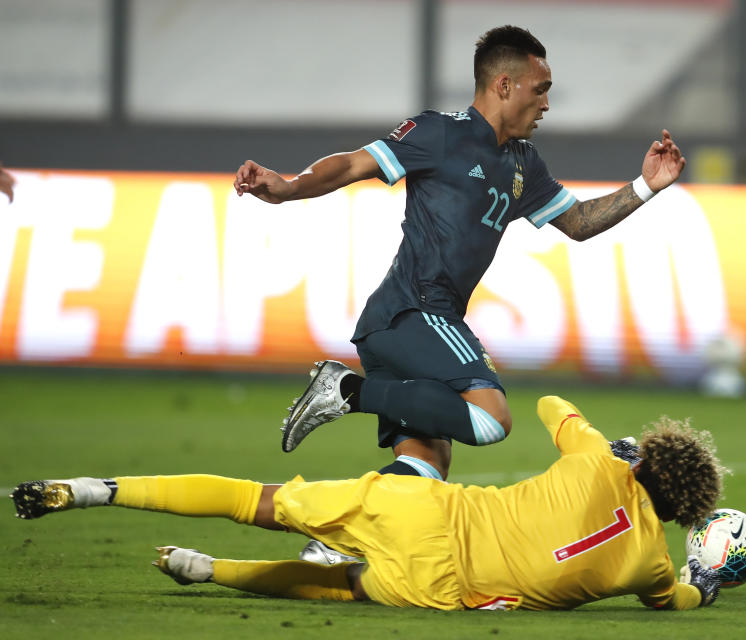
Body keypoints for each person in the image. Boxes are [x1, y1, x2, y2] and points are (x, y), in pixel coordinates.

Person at [233, 25, 687, 481]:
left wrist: (647, 185)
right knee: (491, 420)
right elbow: (352, 162)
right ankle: (347, 390)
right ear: (504, 85)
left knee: (424, 470)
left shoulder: (524, 163)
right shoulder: (440, 133)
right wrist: (289, 188)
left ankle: (331, 547)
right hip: (415, 310)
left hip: (406, 327)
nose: (546, 104)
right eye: (540, 90)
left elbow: (580, 223)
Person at [11, 396, 726, 611]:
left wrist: (617, 444)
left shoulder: (598, 459)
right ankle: (210, 573)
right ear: (680, 509)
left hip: (428, 514)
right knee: (340, 587)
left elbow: (551, 405)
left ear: (649, 459)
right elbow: (677, 602)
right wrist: (706, 584)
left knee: (258, 501)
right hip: (449, 590)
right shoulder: (651, 566)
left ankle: (94, 491)